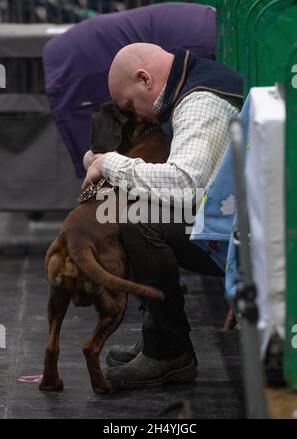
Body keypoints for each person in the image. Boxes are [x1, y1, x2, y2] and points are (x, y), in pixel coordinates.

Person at [82, 43, 243, 390]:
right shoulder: (190, 86)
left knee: (140, 220)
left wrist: (109, 163)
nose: (136, 116)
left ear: (145, 79)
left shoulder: (200, 102)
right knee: (139, 210)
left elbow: (187, 185)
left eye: (130, 106)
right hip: (239, 220)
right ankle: (159, 338)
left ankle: (168, 351)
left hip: (241, 235)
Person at [43, 2, 216, 177]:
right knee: (97, 162)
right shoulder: (203, 45)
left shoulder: (203, 36)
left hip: (81, 47)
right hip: (79, 65)